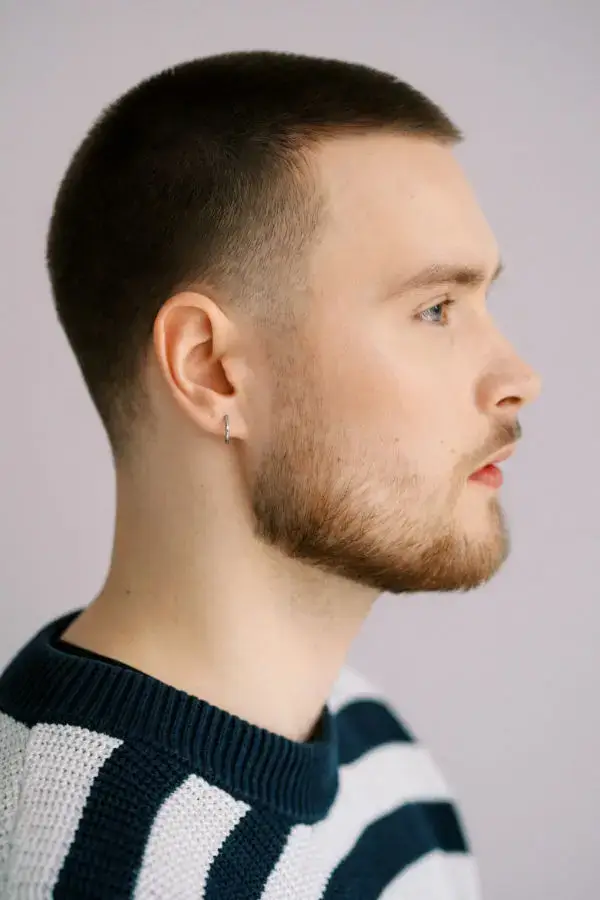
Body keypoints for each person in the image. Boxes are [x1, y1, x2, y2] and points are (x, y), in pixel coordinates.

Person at [0, 49, 541, 898]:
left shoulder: (373, 748)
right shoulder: (83, 869)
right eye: (436, 308)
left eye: (482, 303)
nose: (518, 377)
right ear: (212, 369)